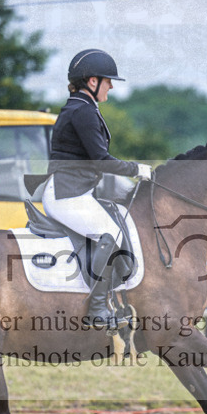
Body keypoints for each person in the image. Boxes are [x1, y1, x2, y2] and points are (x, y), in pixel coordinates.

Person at [43, 49, 152, 330]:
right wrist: (135, 169)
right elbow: (99, 159)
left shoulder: (83, 108)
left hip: (76, 191)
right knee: (110, 233)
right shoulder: (82, 110)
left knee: (117, 224)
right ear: (92, 81)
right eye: (108, 81)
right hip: (67, 195)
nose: (111, 86)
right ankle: (97, 309)